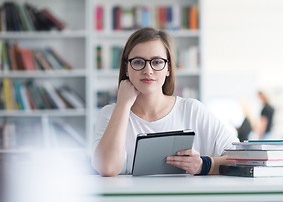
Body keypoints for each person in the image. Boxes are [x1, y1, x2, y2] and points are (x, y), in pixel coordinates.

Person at [91, 27, 238, 176]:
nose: (148, 70)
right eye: (138, 62)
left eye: (156, 62)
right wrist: (123, 104)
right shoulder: (110, 114)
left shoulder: (192, 111)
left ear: (168, 68)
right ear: (126, 68)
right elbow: (107, 168)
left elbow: (240, 158)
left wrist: (203, 165)